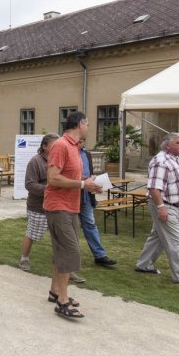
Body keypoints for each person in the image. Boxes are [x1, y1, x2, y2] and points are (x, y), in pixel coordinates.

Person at [44, 111, 102, 319]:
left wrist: (89, 183)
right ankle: (62, 301)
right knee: (70, 252)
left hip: (70, 206)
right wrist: (82, 184)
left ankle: (55, 292)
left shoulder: (75, 147)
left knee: (61, 250)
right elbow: (52, 178)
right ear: (79, 124)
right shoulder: (61, 145)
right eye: (87, 123)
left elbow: (72, 177)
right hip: (59, 207)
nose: (89, 127)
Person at [136, 132, 179, 287]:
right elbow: (154, 188)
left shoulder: (175, 159)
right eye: (178, 142)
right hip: (165, 205)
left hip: (172, 204)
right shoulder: (161, 161)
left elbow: (177, 182)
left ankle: (144, 265)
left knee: (157, 236)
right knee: (175, 241)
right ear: (167, 145)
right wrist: (161, 208)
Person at [19, 133, 59, 272]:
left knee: (61, 239)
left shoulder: (57, 161)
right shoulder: (35, 162)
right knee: (32, 234)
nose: (58, 147)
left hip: (56, 206)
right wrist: (50, 190)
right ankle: (24, 259)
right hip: (38, 207)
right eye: (54, 145)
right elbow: (29, 185)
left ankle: (64, 269)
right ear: (44, 146)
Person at [78, 137, 117, 268]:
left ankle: (100, 256)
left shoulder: (87, 153)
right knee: (70, 229)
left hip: (86, 197)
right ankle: (67, 256)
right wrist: (83, 179)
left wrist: (95, 183)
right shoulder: (69, 152)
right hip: (71, 196)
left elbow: (91, 173)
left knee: (90, 225)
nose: (80, 142)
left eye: (82, 140)